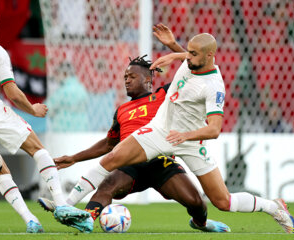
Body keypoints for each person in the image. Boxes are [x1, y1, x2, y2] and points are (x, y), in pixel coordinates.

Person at [59, 30, 294, 234]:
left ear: (209, 56)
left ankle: (273, 206)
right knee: (112, 158)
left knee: (224, 201)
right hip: (159, 130)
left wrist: (186, 136)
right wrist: (173, 50)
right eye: (188, 52)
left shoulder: (214, 86)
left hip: (189, 140)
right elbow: (188, 55)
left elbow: (214, 129)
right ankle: (66, 206)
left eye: (192, 54)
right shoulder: (192, 60)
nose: (188, 57)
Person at [38, 55, 230, 232]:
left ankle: (201, 223)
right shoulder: (121, 110)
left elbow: (196, 73)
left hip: (160, 160)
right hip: (131, 162)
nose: (126, 80)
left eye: (132, 76)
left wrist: (178, 53)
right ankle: (85, 217)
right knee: (107, 184)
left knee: (196, 202)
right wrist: (73, 158)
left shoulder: (165, 95)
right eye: (125, 77)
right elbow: (108, 144)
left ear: (148, 80)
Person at [0, 1, 91, 233]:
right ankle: (60, 203)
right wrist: (33, 110)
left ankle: (31, 220)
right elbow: (13, 93)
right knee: (38, 149)